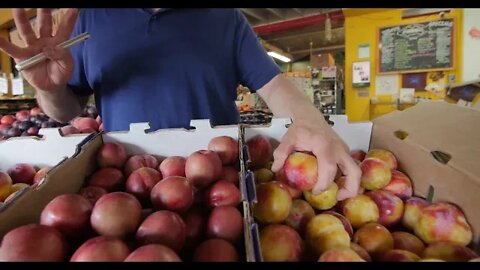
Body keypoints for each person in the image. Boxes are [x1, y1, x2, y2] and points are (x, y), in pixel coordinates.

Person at [0, 8, 360, 199]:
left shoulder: (224, 18)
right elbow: (66, 111)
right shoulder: (88, 19)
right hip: (123, 185)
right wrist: (47, 89)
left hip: (217, 180)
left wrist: (311, 124)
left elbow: (276, 86)